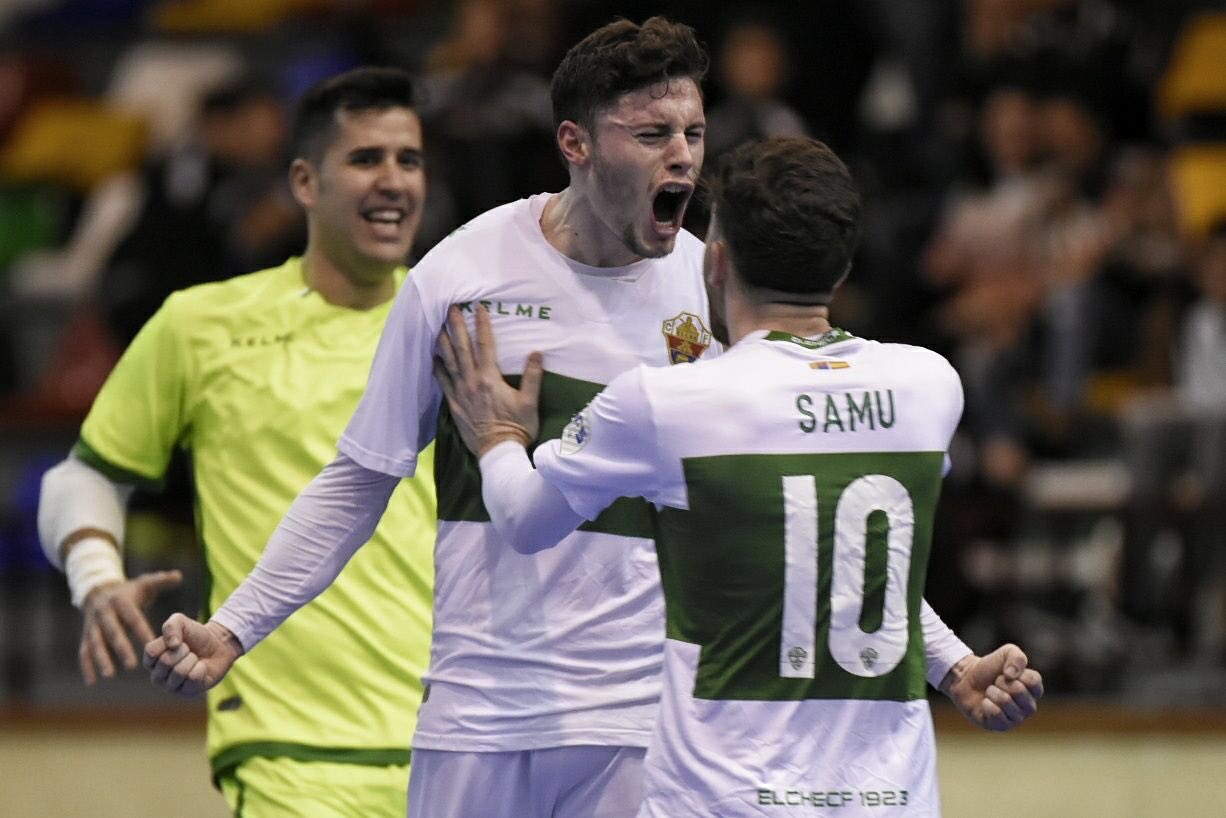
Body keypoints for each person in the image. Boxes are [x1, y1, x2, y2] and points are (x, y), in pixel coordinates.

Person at [144, 19, 1037, 818]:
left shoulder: (715, 286)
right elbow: (360, 478)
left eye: (693, 132)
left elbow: (807, 524)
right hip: (479, 710)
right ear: (574, 142)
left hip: (645, 724)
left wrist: (947, 659)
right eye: (651, 134)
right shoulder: (462, 278)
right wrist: (235, 627)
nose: (682, 157)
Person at [434, 136, 1045, 817]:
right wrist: (956, 665)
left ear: (717, 261)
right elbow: (853, 563)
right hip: (891, 799)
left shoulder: (670, 403)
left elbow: (523, 519)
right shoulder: (927, 386)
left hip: (722, 798)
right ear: (840, 269)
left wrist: (496, 438)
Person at [38, 67, 436, 818]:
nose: (393, 181)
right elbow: (83, 477)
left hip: (465, 743)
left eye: (408, 160)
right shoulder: (202, 323)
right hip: (291, 755)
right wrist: (96, 572)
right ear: (304, 182)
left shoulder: (455, 320)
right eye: (365, 159)